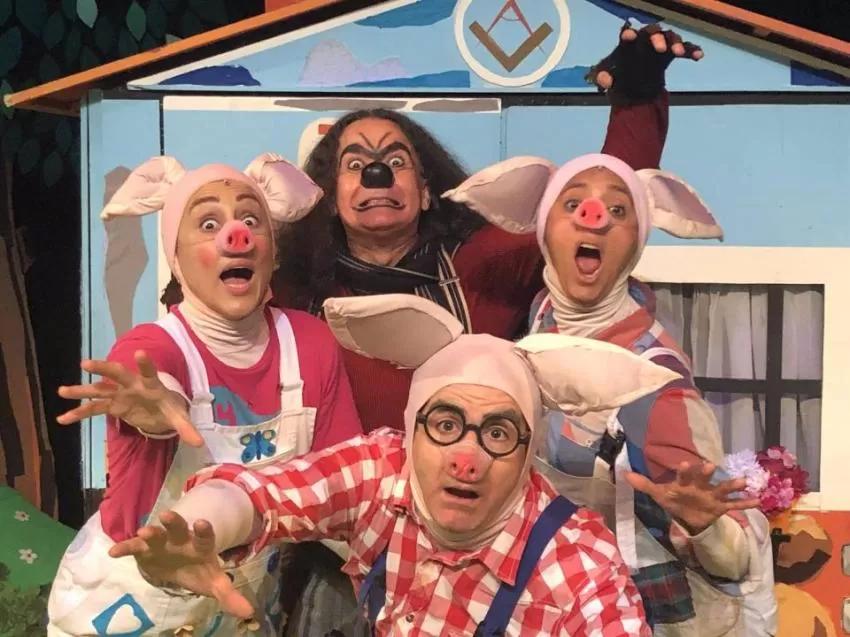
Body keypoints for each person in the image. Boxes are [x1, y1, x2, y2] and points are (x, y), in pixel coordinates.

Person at [107, 293, 692, 636]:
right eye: (445, 425)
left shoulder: (578, 561)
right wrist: (201, 525)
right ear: (411, 433)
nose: (467, 458)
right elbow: (267, 493)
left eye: (498, 433)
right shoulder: (384, 472)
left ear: (527, 454)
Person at [273, 23, 704, 432]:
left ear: (426, 191)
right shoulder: (295, 291)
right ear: (330, 198)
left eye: (397, 161)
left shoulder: (484, 268)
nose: (377, 175)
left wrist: (636, 100)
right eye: (355, 165)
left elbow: (588, 217)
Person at [443, 152, 777, 635]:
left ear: (635, 242)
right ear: (544, 230)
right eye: (571, 204)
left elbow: (736, 555)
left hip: (638, 613)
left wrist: (704, 525)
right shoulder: (542, 320)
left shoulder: (652, 381)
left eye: (618, 210)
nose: (593, 218)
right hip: (553, 599)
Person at [47, 154, 363, 636]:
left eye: (251, 220)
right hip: (127, 597)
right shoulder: (151, 347)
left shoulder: (311, 343)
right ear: (176, 259)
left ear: (273, 253)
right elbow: (156, 385)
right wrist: (159, 411)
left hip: (238, 600)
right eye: (209, 224)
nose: (236, 236)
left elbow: (343, 482)